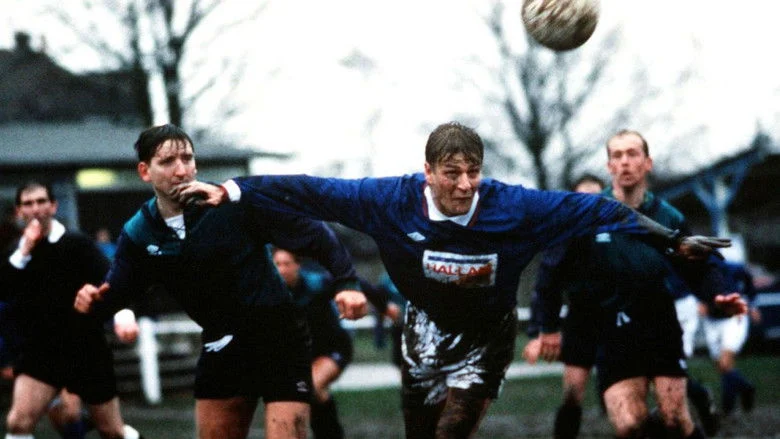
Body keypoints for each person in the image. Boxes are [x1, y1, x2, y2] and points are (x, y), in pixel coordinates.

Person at [174, 121, 741, 439]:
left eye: (473, 172)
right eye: (452, 174)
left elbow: (597, 210)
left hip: (486, 334)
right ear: (427, 172)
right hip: (422, 329)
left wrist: (670, 240)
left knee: (452, 433)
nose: (465, 184)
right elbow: (311, 189)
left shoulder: (514, 208)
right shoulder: (389, 201)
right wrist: (232, 190)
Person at [73, 124, 368, 439]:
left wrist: (347, 283)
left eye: (187, 158)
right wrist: (93, 301)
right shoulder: (140, 232)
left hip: (277, 335)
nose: (181, 170)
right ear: (145, 171)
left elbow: (314, 234)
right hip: (221, 342)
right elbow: (117, 291)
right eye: (168, 161)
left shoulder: (231, 203)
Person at [534, 130, 746, 439]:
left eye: (632, 154)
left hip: (659, 323)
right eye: (617, 156)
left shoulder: (668, 216)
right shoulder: (589, 214)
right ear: (609, 166)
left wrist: (719, 295)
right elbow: (551, 269)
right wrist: (547, 326)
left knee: (674, 421)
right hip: (612, 330)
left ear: (648, 163)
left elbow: (700, 265)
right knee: (631, 426)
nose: (625, 162)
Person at [0, 181, 142, 439]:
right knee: (18, 423)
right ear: (19, 211)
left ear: (53, 206)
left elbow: (109, 279)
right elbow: (5, 293)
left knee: (111, 430)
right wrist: (23, 253)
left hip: (85, 348)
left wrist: (123, 315)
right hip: (40, 352)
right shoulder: (15, 253)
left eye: (41, 201)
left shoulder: (77, 243)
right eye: (28, 204)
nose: (36, 209)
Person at [271, 248, 399, 439]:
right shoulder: (272, 291)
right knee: (307, 394)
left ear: (298, 265)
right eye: (277, 264)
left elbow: (356, 282)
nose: (282, 269)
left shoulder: (317, 284)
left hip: (333, 348)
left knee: (312, 386)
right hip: (302, 354)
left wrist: (384, 306)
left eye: (286, 264)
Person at [521, 173, 606, 439]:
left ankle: (695, 394)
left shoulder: (619, 229)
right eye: (584, 198)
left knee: (641, 390)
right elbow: (546, 285)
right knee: (572, 393)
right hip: (581, 320)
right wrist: (539, 331)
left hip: (619, 319)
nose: (590, 204)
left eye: (596, 198)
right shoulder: (565, 234)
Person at [699, 258, 758, 416]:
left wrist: (752, 305)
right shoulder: (695, 270)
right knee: (722, 366)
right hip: (712, 320)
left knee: (725, 362)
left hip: (733, 318)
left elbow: (749, 285)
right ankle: (745, 388)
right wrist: (699, 301)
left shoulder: (732, 268)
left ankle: (728, 405)